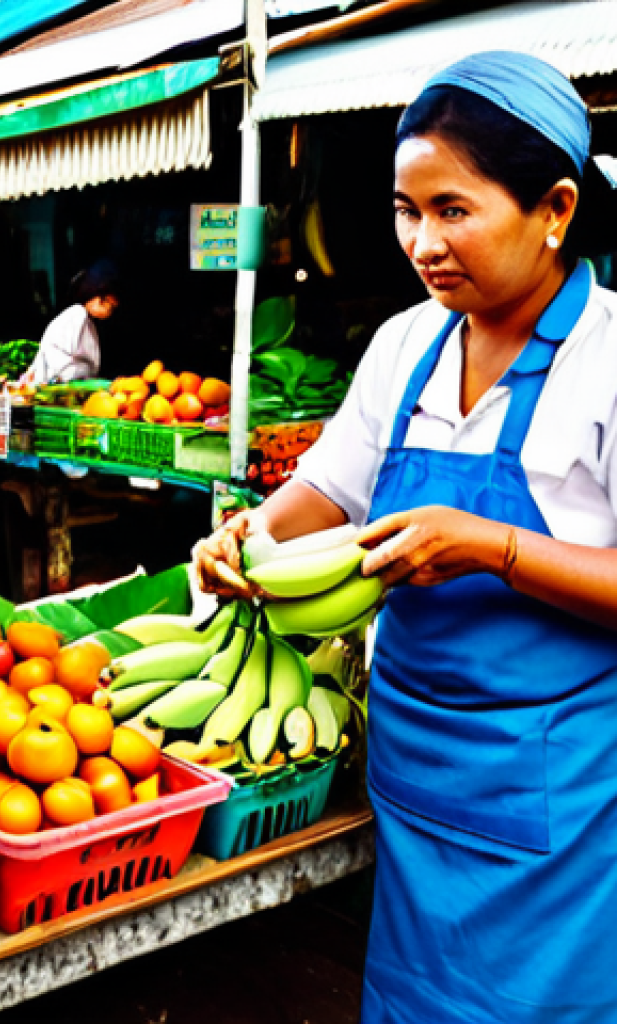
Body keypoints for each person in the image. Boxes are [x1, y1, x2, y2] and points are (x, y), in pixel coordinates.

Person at [194, 51, 617, 1024]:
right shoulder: (403, 344)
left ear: (554, 209)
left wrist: (494, 547)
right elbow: (328, 486)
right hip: (412, 769)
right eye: (404, 209)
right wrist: (246, 533)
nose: (422, 241)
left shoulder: (604, 358)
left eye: (452, 209)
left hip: (553, 800)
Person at [19, 260, 119, 385]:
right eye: (109, 305)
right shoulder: (77, 314)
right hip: (58, 384)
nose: (109, 311)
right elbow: (61, 361)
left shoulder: (88, 321)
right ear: (95, 297)